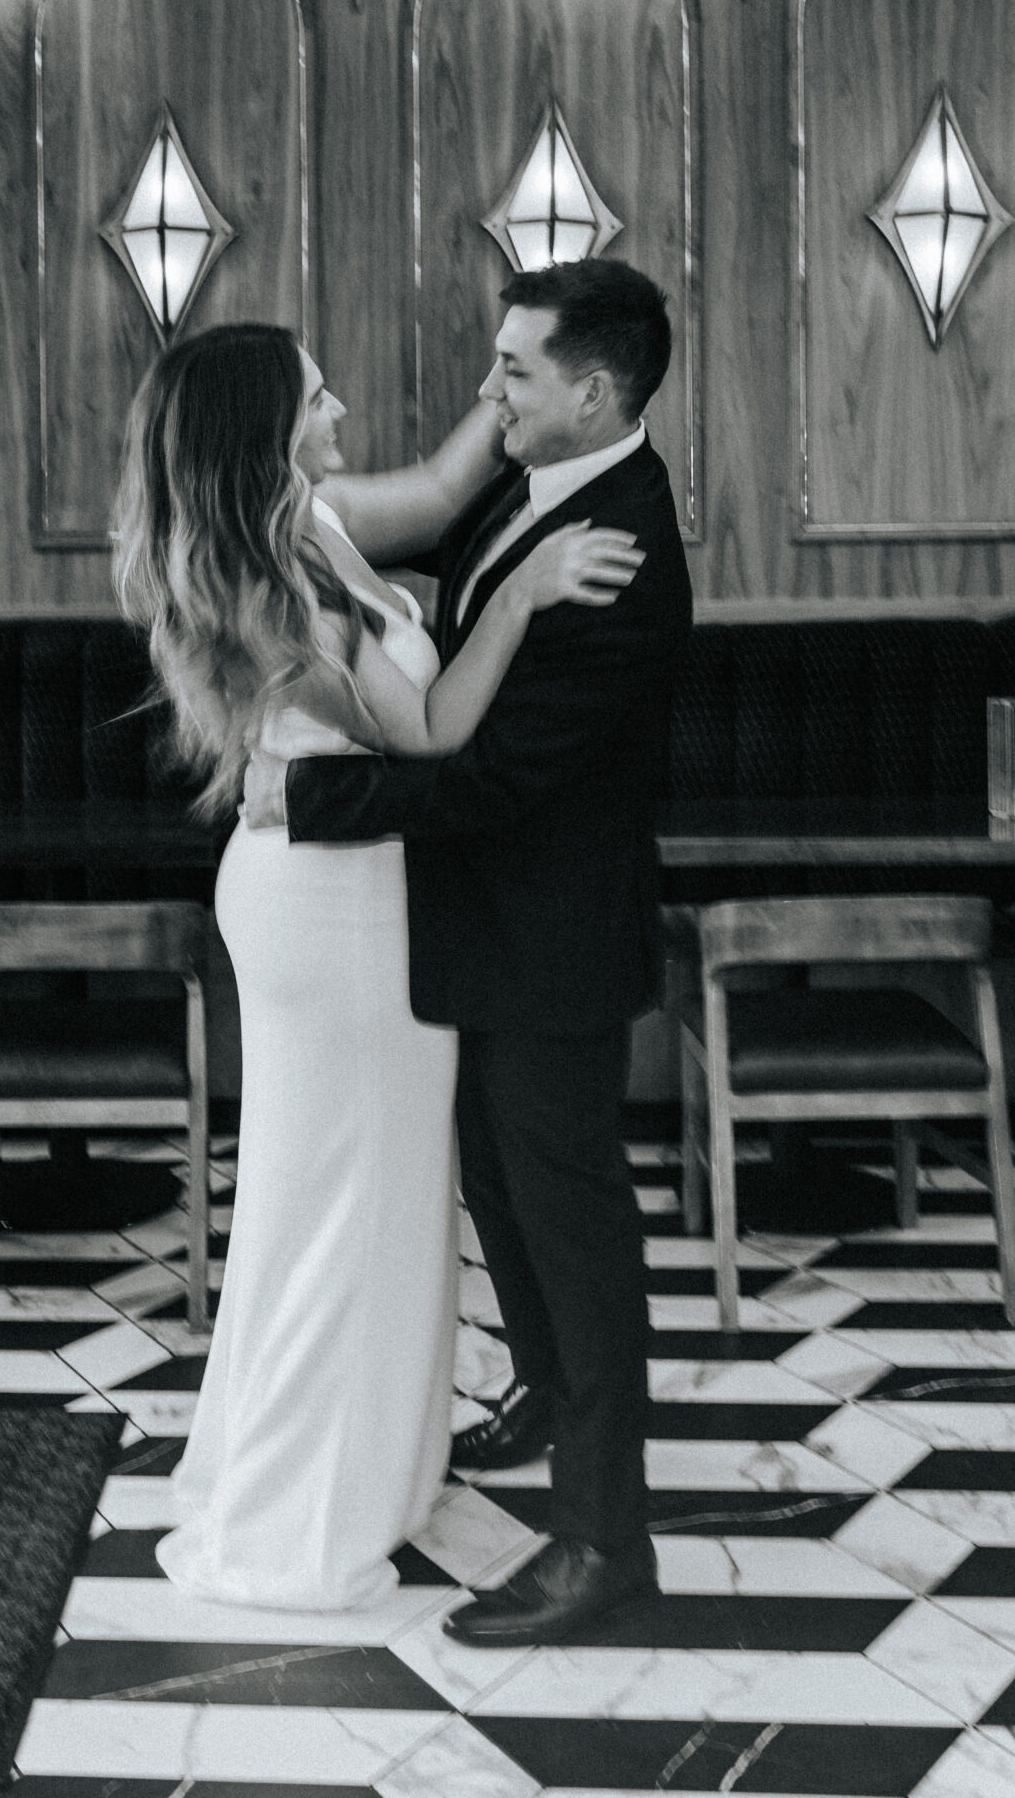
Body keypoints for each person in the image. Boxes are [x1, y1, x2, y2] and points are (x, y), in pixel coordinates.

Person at [112, 321, 642, 1611]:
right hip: (327, 909)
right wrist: (525, 591)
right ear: (265, 432)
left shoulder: (315, 520)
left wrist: (507, 393)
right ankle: (304, 1511)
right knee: (337, 1207)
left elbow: (448, 492)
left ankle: (373, 1474)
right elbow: (429, 733)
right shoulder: (273, 583)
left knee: (374, 1193)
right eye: (314, 394)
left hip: (352, 889)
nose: (340, 402)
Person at [245, 258, 692, 1646]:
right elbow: (439, 574)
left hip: (550, 945)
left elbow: (497, 781)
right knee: (498, 1179)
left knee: (575, 1225)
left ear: (594, 391)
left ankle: (606, 1541)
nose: (487, 391)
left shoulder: (619, 552)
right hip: (484, 932)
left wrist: (311, 796)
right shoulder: (528, 483)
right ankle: (548, 1395)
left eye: (513, 371)